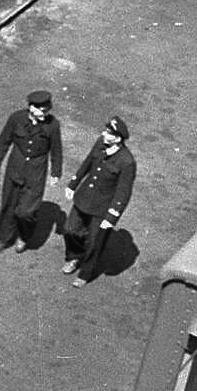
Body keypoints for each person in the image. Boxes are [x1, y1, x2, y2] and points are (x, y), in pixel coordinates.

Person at [63, 117, 136, 285]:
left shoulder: (126, 162)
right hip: (84, 197)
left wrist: (111, 217)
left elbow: (123, 192)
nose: (104, 134)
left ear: (118, 139)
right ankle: (74, 256)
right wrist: (73, 184)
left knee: (94, 242)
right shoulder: (100, 144)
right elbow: (87, 163)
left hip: (102, 207)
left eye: (109, 133)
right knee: (69, 229)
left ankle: (85, 273)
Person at [0, 90, 62, 250]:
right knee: (8, 206)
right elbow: (3, 142)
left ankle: (24, 235)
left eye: (47, 110)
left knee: (26, 212)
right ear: (31, 108)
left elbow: (56, 150)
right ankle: (2, 239)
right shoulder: (16, 118)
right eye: (41, 110)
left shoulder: (53, 125)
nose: (45, 113)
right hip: (15, 168)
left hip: (36, 173)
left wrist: (55, 173)